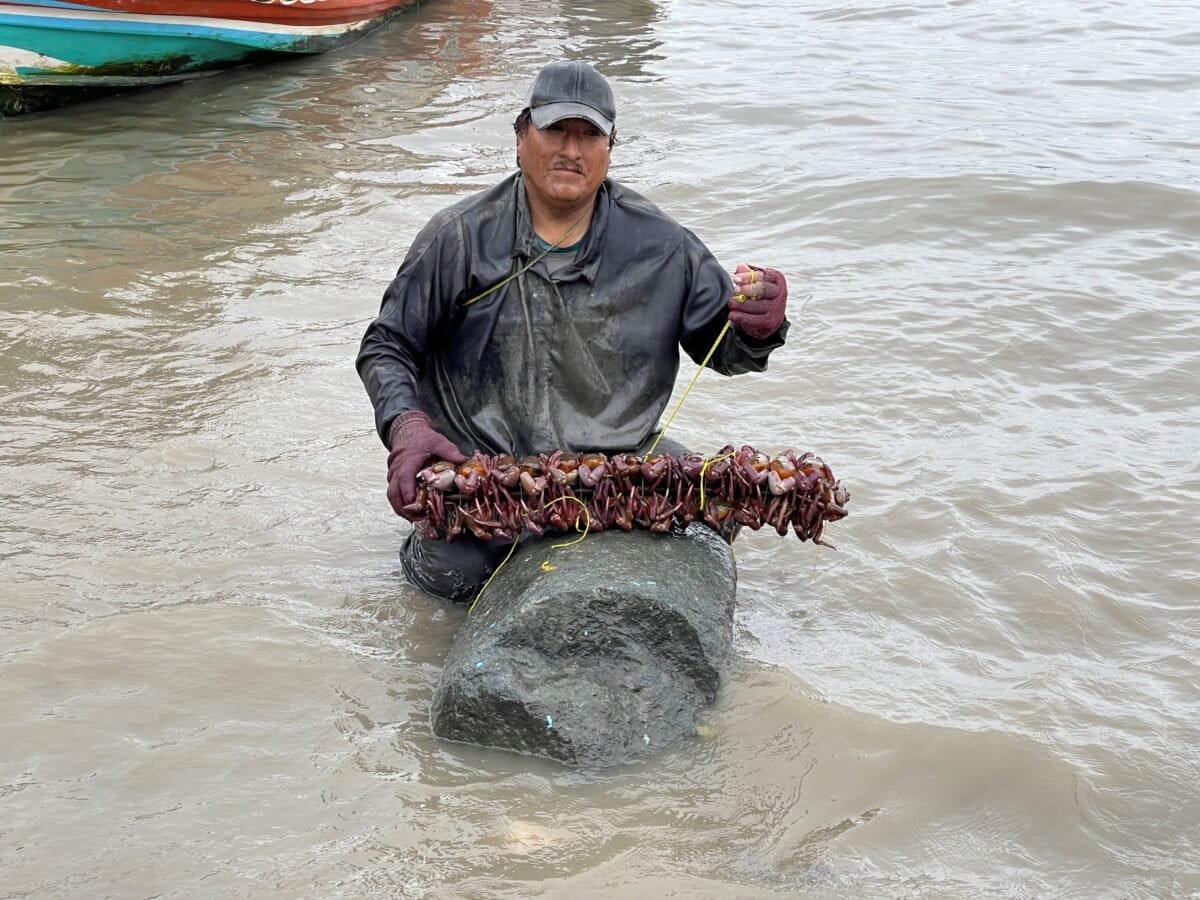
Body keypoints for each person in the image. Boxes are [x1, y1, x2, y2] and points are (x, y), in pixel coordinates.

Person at [357, 60, 791, 602]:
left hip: (618, 460)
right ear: (521, 137)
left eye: (589, 134)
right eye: (555, 130)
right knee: (448, 579)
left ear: (611, 147)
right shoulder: (459, 238)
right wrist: (406, 426)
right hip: (486, 474)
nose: (572, 149)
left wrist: (760, 324)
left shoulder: (663, 244)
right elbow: (387, 344)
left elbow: (721, 347)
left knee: (712, 506)